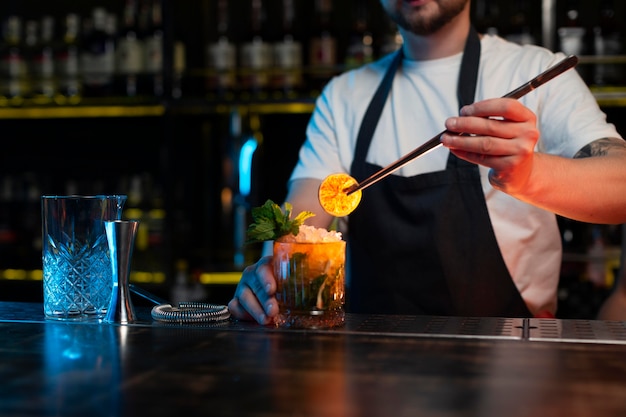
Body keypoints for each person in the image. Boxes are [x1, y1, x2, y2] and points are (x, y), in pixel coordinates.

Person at [228, 0, 626, 324]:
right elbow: (303, 218)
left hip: (514, 370)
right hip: (370, 374)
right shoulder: (343, 96)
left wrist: (531, 174)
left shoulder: (534, 71)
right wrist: (271, 272)